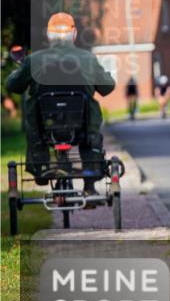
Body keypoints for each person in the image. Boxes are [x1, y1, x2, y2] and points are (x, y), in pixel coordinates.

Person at [4, 13, 115, 193]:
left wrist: (18, 71)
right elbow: (107, 87)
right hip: (82, 126)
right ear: (74, 34)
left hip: (44, 127)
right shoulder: (87, 58)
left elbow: (12, 86)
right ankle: (89, 185)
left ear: (49, 35)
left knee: (34, 113)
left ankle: (41, 168)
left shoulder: (34, 60)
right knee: (90, 126)